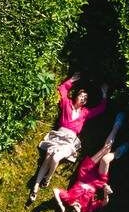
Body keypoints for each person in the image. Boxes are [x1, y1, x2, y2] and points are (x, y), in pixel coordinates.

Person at [29, 74, 109, 203]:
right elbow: (62, 89)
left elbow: (100, 109)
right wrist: (71, 80)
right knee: (49, 155)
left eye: (85, 98)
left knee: (55, 157)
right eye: (81, 96)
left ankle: (48, 178)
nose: (83, 98)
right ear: (76, 96)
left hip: (69, 141)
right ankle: (35, 186)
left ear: (86, 102)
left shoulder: (85, 113)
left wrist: (104, 94)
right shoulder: (66, 104)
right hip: (59, 136)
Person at [54, 115, 129, 212]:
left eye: (73, 210)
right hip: (97, 181)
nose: (76, 210)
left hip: (85, 173)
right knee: (105, 159)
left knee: (105, 149)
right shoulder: (86, 208)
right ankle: (117, 153)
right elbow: (103, 203)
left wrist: (61, 206)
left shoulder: (69, 198)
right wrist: (106, 194)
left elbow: (56, 191)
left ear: (70, 207)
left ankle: (117, 126)